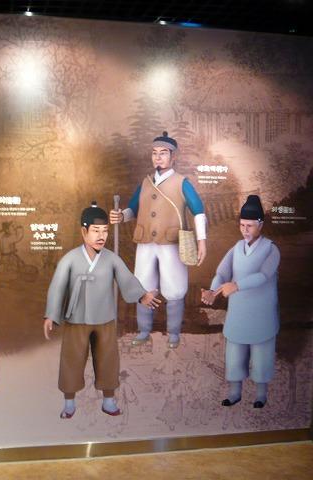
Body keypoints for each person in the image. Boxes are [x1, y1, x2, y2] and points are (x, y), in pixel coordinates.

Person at [44, 202, 160, 419]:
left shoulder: (111, 258)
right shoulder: (70, 259)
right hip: (76, 318)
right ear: (84, 231)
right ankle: (69, 402)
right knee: (72, 359)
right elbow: (58, 286)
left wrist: (142, 295)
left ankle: (108, 400)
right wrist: (51, 314)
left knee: (107, 358)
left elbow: (126, 279)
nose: (101, 236)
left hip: (105, 318)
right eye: (96, 230)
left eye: (105, 231)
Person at [110, 131, 207, 349]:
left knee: (174, 288)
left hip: (171, 243)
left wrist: (202, 241)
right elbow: (133, 208)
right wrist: (121, 216)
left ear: (173, 156)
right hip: (145, 242)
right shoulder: (145, 183)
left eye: (163, 153)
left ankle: (173, 333)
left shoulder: (182, 182)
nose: (158, 157)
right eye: (154, 153)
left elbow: (198, 211)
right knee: (143, 286)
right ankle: (144, 331)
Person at [201, 195, 279, 409]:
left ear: (260, 224)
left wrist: (236, 286)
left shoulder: (271, 249)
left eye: (250, 226)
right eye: (242, 225)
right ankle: (234, 393)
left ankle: (261, 394)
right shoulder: (236, 248)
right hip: (238, 313)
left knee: (261, 356)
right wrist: (213, 290)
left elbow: (263, 275)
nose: (245, 230)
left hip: (261, 312)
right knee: (235, 355)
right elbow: (222, 272)